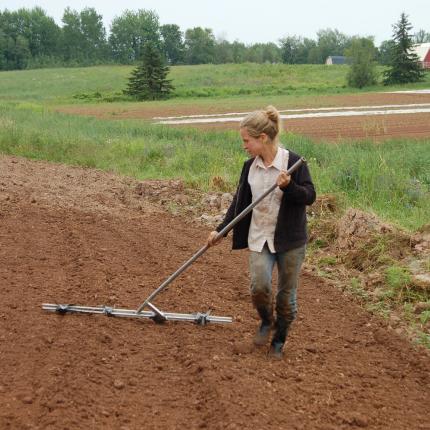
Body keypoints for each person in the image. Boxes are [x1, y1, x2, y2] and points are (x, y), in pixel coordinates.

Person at [207, 105, 316, 359]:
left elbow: (309, 196)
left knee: (286, 297)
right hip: (259, 237)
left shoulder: (293, 163)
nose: (244, 145)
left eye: (247, 140)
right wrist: (220, 230)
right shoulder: (249, 167)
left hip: (290, 242)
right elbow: (239, 203)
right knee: (259, 288)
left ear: (262, 138)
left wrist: (289, 187)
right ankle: (266, 321)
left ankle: (279, 340)